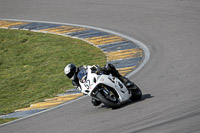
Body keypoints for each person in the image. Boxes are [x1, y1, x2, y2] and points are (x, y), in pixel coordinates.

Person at [64, 63, 134, 106]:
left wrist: (96, 69)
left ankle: (122, 79)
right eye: (68, 75)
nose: (70, 75)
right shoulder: (74, 82)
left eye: (70, 73)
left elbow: (89, 67)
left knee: (108, 67)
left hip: (96, 76)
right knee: (95, 102)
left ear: (74, 69)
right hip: (91, 88)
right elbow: (80, 89)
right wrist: (84, 91)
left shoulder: (81, 68)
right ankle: (106, 97)